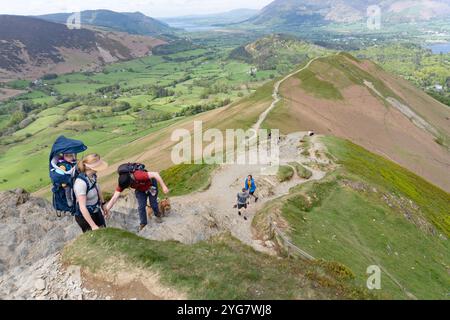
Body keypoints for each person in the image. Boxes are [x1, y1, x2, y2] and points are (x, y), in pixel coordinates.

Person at [106, 165, 169, 231]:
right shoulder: (122, 183)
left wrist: (164, 186)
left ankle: (158, 215)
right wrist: (107, 209)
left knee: (153, 204)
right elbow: (114, 197)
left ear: (130, 181)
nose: (128, 187)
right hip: (140, 190)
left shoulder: (138, 175)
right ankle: (143, 224)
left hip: (151, 185)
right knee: (141, 207)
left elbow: (155, 174)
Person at [73, 154, 109, 233]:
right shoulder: (80, 183)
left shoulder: (93, 176)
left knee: (104, 232)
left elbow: (97, 187)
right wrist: (93, 226)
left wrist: (103, 204)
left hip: (96, 210)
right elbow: (82, 207)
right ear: (89, 167)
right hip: (85, 217)